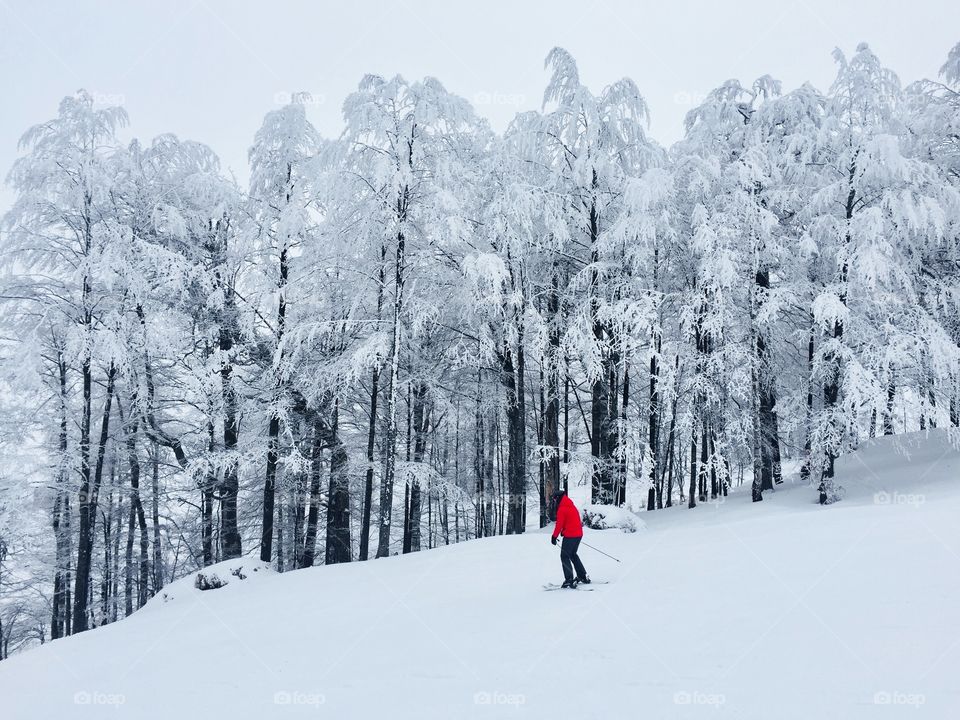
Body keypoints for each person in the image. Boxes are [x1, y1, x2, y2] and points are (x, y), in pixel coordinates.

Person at [550, 489, 589, 588]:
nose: (554, 501)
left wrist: (554, 536)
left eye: (554, 499)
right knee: (573, 554)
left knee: (564, 556)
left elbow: (559, 524)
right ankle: (582, 576)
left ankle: (569, 579)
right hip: (578, 534)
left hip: (570, 536)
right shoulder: (571, 506)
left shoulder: (562, 509)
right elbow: (571, 521)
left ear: (558, 498)